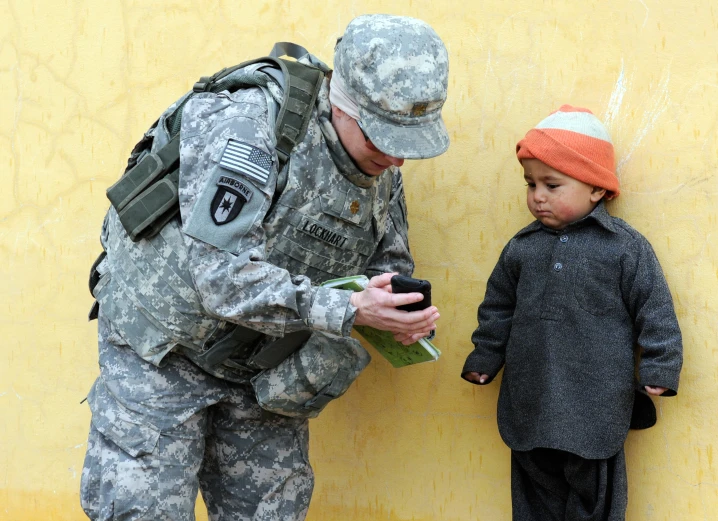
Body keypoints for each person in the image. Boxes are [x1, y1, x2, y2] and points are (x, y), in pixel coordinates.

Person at [81, 14, 449, 521]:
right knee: (143, 509)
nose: (397, 159)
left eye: (406, 143)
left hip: (262, 369)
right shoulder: (249, 127)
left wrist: (393, 304)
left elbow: (385, 257)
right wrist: (350, 308)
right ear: (342, 103)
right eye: (383, 138)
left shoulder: (380, 167)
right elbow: (221, 277)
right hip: (164, 348)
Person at [461, 105, 683, 521]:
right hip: (531, 400)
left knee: (594, 505)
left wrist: (660, 368)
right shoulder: (522, 248)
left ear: (597, 188)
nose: (537, 196)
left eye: (552, 184)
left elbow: (654, 309)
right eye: (530, 184)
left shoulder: (624, 247)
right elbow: (497, 309)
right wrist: (484, 358)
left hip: (595, 404)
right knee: (533, 501)